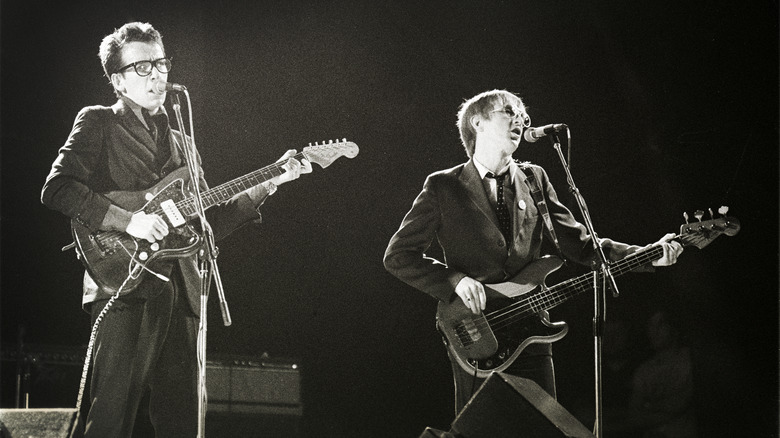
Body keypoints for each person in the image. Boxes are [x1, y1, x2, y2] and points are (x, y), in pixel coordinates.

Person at [40, 22, 311, 437]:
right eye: (143, 67)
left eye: (161, 63)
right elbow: (57, 189)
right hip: (125, 282)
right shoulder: (98, 123)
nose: (158, 75)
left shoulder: (185, 141)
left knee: (182, 418)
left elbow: (208, 225)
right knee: (111, 415)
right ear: (118, 80)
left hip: (183, 288)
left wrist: (266, 185)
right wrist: (130, 220)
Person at [383, 89, 683, 414]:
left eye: (523, 115)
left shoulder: (535, 178)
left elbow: (582, 246)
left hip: (533, 334)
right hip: (475, 332)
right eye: (508, 111)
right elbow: (399, 256)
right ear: (478, 122)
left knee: (541, 426)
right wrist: (454, 280)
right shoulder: (444, 186)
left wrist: (648, 254)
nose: (520, 120)